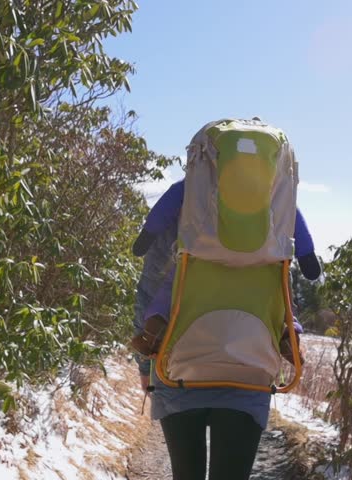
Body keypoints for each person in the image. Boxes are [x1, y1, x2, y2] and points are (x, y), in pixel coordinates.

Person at [131, 178, 321, 480]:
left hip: (179, 369)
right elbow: (283, 291)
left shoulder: (188, 197)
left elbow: (150, 289)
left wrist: (145, 364)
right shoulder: (275, 211)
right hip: (250, 371)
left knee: (186, 474)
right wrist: (290, 332)